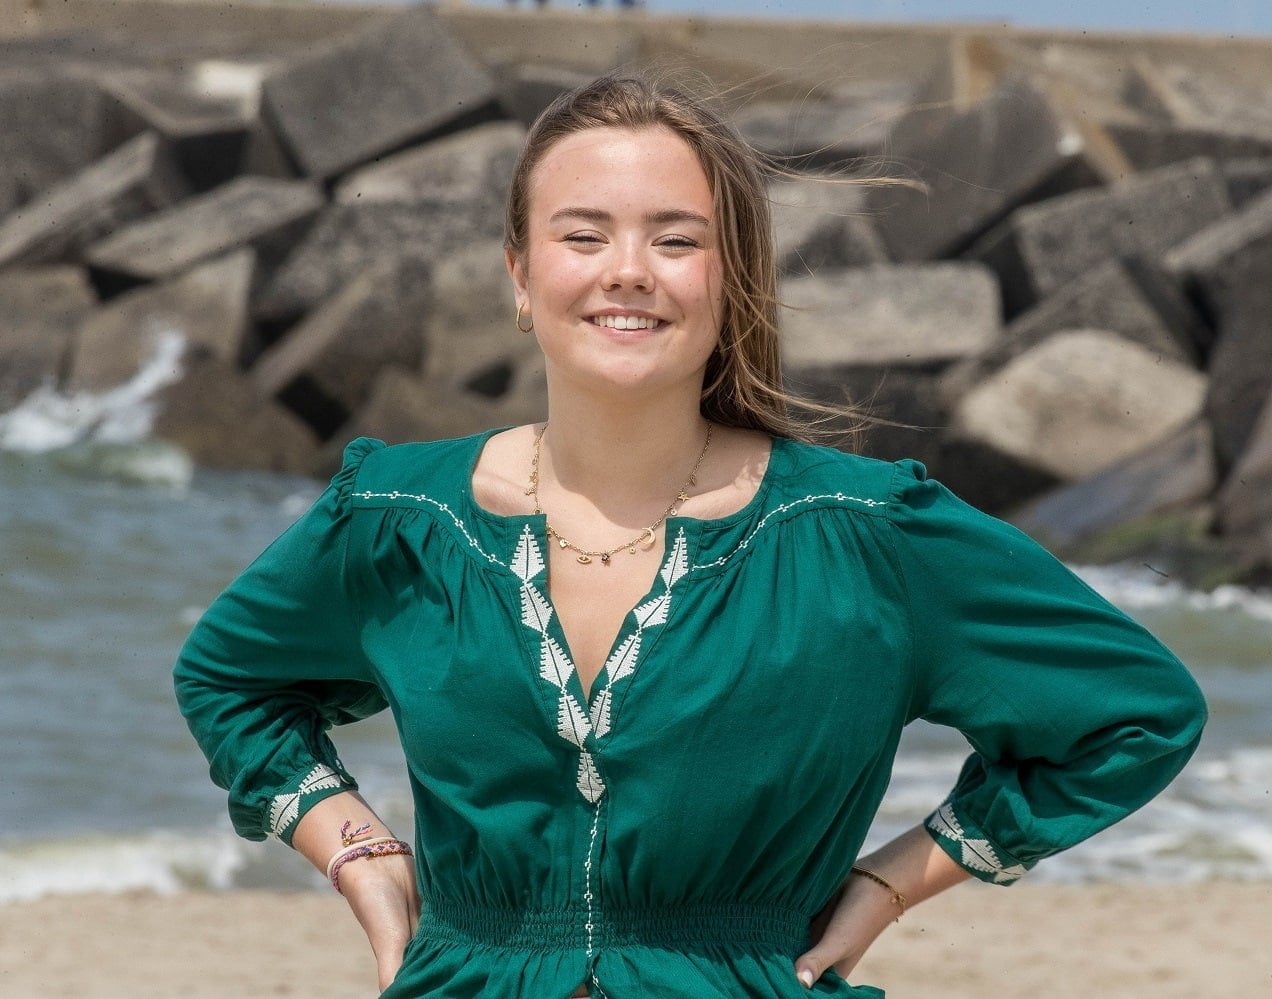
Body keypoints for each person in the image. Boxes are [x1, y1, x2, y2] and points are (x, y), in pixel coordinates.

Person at [174, 75, 1208, 998]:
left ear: (733, 279)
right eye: (583, 236)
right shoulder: (404, 516)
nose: (628, 271)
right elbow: (230, 678)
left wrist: (897, 880)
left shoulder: (863, 535)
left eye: (676, 240)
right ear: (520, 275)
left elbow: (1134, 714)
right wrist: (358, 854)